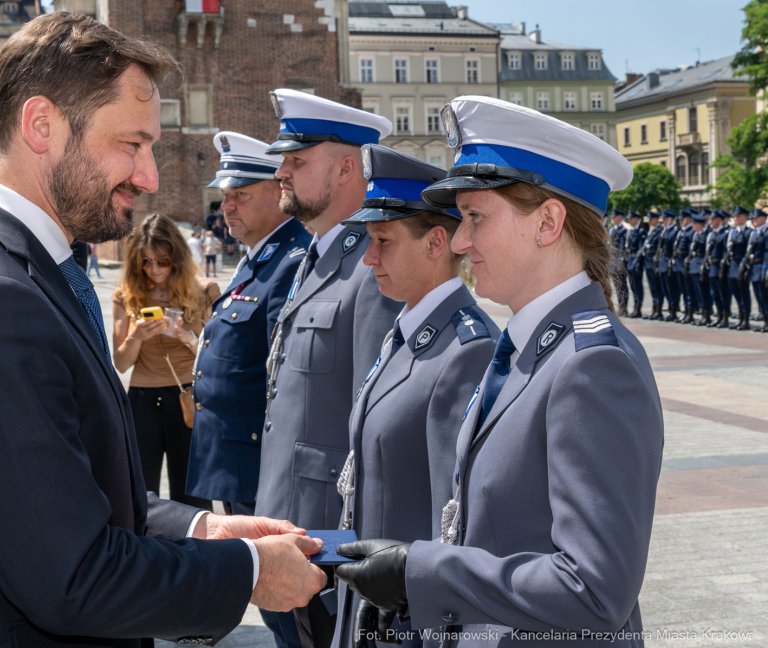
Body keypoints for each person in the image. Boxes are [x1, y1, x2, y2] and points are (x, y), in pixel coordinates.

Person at [0, 13, 327, 648]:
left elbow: (56, 491)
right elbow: (71, 576)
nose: (151, 176)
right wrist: (248, 572)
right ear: (42, 126)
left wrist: (198, 532)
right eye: (131, 144)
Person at [337, 95, 663, 648]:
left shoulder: (594, 365)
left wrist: (421, 573)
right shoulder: (528, 347)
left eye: (475, 218)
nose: (461, 242)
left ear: (548, 222)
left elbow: (596, 590)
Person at [330, 144, 498, 648]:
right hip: (372, 604)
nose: (369, 256)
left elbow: (453, 522)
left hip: (407, 619)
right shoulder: (407, 332)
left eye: (382, 239)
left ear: (435, 244)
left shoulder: (466, 349)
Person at [258, 88, 402, 648]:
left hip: (328, 546)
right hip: (287, 528)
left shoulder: (372, 267)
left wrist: (357, 548)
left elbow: (378, 431)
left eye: (297, 161)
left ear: (347, 168)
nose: (281, 173)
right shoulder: (313, 258)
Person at [186, 132, 312, 648]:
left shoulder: (291, 260)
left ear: (277, 193)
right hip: (235, 459)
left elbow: (283, 376)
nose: (226, 205)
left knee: (289, 604)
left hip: (258, 462)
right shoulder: (261, 258)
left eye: (240, 192)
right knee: (271, 598)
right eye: (224, 194)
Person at [112, 213, 219, 510]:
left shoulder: (205, 290)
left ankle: (198, 557)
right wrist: (135, 336)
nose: (154, 269)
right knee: (141, 495)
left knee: (193, 497)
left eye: (162, 260)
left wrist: (185, 336)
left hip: (189, 396)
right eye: (145, 262)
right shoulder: (126, 295)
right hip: (143, 401)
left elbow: (215, 359)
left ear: (177, 257)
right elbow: (120, 364)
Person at [727, 205, 752, 331]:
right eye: (735, 216)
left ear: (745, 217)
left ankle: (745, 320)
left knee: (744, 294)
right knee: (736, 294)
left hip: (742, 265)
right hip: (732, 266)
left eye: (739, 216)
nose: (736, 218)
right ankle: (740, 318)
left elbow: (748, 251)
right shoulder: (732, 232)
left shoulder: (748, 232)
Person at [707, 209, 731, 328]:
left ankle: (725, 318)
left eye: (713, 219)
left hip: (720, 267)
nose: (710, 221)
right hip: (712, 267)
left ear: (720, 220)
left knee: (723, 294)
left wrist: (723, 268)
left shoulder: (725, 233)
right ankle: (719, 316)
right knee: (715, 294)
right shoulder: (711, 234)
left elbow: (726, 252)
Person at [744, 208, 767, 329]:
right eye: (752, 218)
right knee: (758, 296)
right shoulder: (753, 233)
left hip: (762, 267)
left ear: (764, 218)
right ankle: (765, 321)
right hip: (753, 268)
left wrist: (765, 269)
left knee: (765, 296)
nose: (754, 220)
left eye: (756, 218)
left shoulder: (766, 232)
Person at [688, 212, 712, 326]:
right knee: (698, 292)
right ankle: (703, 314)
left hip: (701, 266)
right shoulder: (696, 234)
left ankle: (707, 315)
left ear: (699, 224)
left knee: (704, 292)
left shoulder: (707, 234)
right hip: (694, 265)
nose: (692, 225)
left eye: (694, 223)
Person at [672, 208, 695, 323]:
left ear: (689, 219)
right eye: (680, 219)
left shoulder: (691, 231)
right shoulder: (682, 231)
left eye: (683, 219)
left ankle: (690, 313)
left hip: (686, 266)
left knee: (688, 291)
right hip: (679, 265)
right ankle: (686, 313)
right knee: (683, 291)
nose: (680, 221)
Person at [641, 210, 664, 320]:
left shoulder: (660, 231)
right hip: (648, 262)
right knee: (652, 288)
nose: (649, 221)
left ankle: (658, 310)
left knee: (657, 287)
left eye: (651, 219)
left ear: (656, 219)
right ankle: (654, 309)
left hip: (655, 263)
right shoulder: (651, 231)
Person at [657, 209, 679, 321]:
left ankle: (673, 311)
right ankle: (670, 308)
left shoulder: (675, 231)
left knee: (672, 288)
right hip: (662, 261)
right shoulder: (664, 231)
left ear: (670, 219)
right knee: (665, 287)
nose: (663, 221)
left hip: (669, 262)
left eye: (665, 218)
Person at [624, 210, 646, 318]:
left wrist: (638, 265)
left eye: (631, 218)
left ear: (636, 219)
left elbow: (641, 250)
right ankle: (635, 308)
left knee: (638, 287)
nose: (629, 220)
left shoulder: (641, 231)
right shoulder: (630, 231)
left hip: (635, 262)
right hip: (629, 261)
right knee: (632, 287)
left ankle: (638, 309)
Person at [608, 209, 628, 313]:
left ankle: (623, 307)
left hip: (618, 262)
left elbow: (622, 248)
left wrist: (620, 261)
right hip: (612, 262)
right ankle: (620, 305)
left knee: (622, 286)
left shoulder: (623, 231)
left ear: (620, 217)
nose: (612, 218)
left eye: (614, 216)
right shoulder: (611, 229)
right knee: (616, 286)